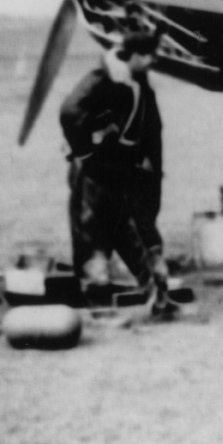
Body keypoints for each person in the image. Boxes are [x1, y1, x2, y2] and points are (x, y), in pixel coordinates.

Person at [60, 29, 174, 320]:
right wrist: (86, 154)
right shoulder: (103, 79)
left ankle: (155, 295)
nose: (153, 61)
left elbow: (152, 130)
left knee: (130, 230)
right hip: (96, 174)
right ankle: (98, 302)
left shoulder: (138, 84)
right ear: (133, 55)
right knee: (93, 234)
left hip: (122, 170)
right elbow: (70, 112)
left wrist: (152, 170)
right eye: (148, 55)